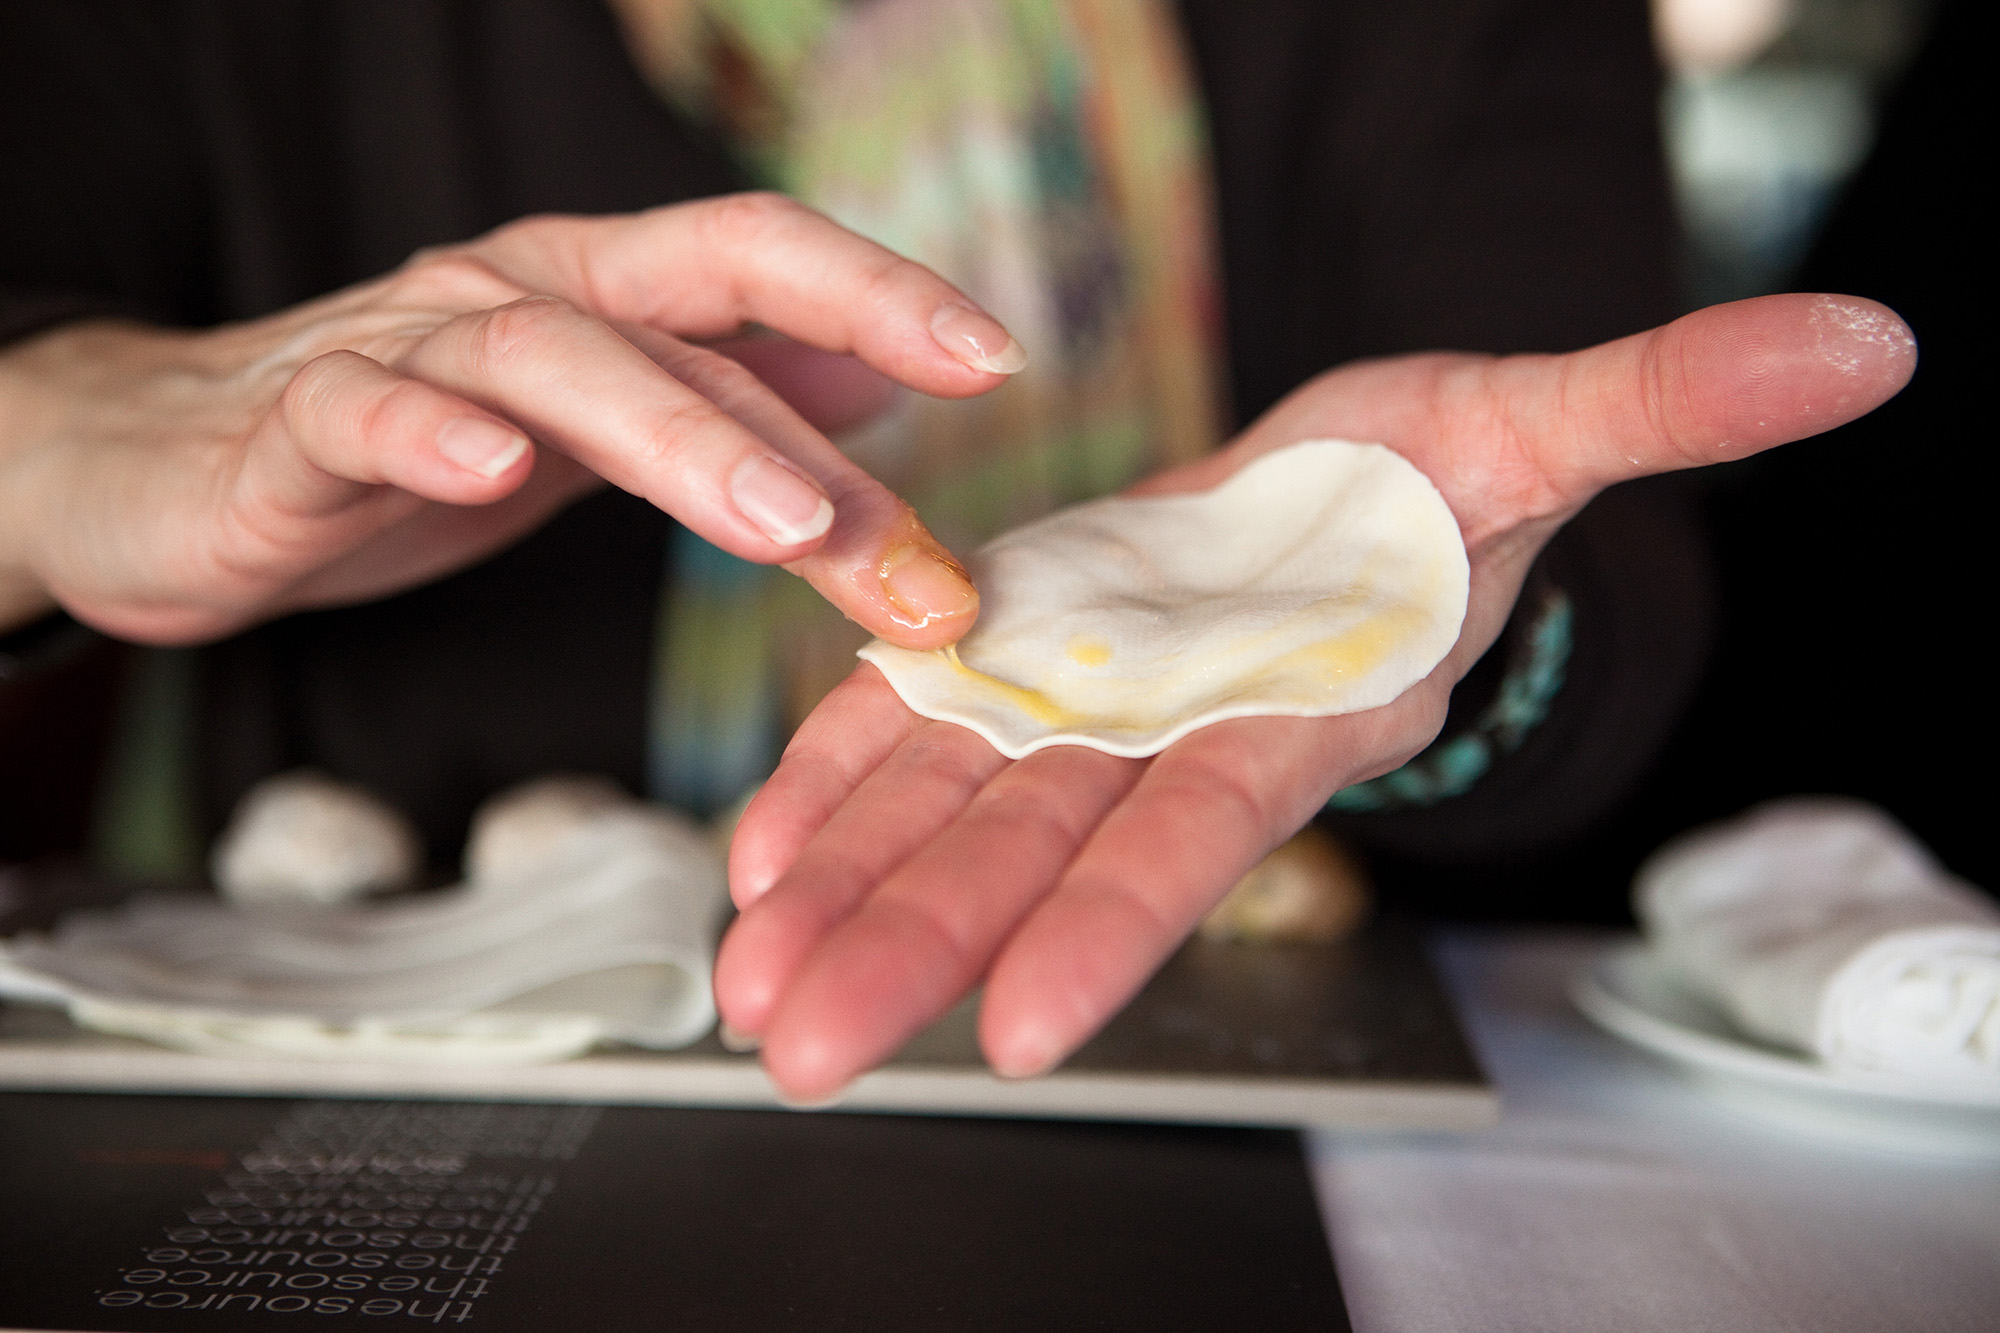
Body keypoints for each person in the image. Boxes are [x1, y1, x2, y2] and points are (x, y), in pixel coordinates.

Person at [0, 0, 1913, 1099]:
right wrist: (45, 436)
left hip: (1219, 1114)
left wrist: (1407, 617)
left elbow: (1612, 586)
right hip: (331, 1082)